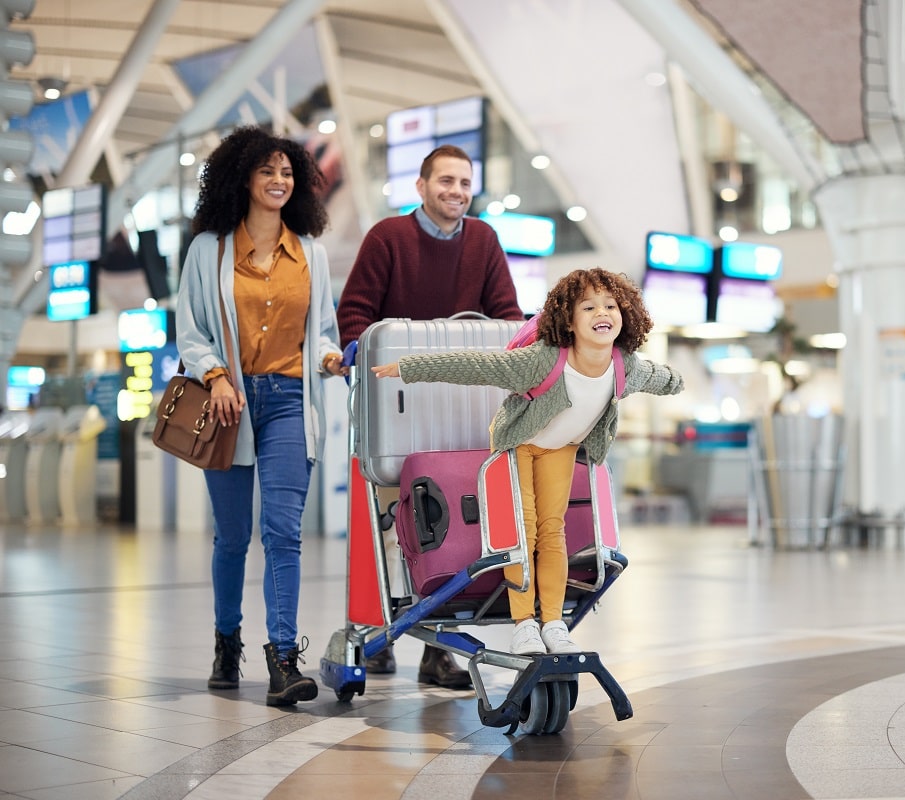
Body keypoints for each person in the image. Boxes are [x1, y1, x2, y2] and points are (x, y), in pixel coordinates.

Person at [373, 268, 684, 654]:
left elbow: (659, 376)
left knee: (553, 531)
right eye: (588, 307)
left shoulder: (625, 366)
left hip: (561, 447)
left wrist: (677, 382)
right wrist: (408, 368)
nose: (602, 312)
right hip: (519, 444)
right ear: (568, 321)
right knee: (523, 530)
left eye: (610, 305)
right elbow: (475, 366)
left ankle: (552, 622)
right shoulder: (542, 360)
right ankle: (524, 624)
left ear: (625, 314)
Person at [337, 143, 522, 686]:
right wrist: (354, 350)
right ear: (421, 187)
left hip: (458, 405)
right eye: (445, 181)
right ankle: (373, 628)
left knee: (444, 525)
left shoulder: (484, 240)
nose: (457, 192)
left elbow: (507, 317)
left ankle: (434, 646)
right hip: (393, 405)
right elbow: (354, 315)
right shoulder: (387, 239)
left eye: (465, 183)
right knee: (387, 526)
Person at [176, 126, 344, 707]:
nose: (278, 181)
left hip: (291, 402)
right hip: (228, 403)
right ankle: (227, 642)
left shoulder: (312, 254)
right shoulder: (208, 250)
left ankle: (282, 659)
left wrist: (328, 355)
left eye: (287, 172)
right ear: (242, 178)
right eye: (267, 170)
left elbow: (323, 328)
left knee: (283, 534)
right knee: (232, 537)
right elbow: (191, 330)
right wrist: (215, 375)